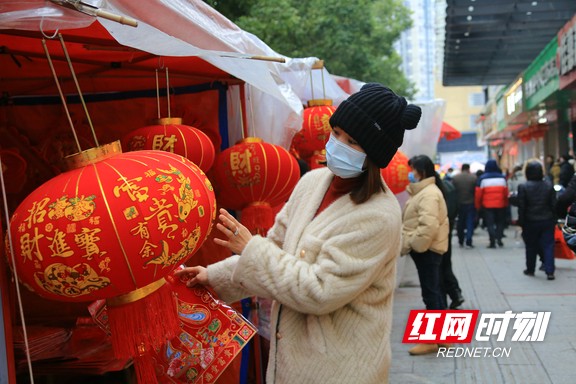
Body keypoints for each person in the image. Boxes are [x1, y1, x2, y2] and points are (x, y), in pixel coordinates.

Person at [175, 83, 422, 383]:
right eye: (336, 133)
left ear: (373, 154)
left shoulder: (378, 215)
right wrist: (214, 276)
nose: (338, 144)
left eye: (353, 141)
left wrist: (250, 248)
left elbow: (319, 291)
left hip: (341, 368)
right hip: (291, 361)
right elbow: (277, 246)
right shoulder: (313, 182)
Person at [402, 154, 450, 355]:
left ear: (421, 171)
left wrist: (415, 245)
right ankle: (443, 338)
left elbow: (428, 224)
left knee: (430, 293)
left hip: (427, 250)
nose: (409, 174)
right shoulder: (424, 191)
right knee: (435, 291)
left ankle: (430, 340)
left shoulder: (428, 193)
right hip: (429, 249)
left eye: (412, 169)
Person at [517, 160, 556, 280]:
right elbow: (553, 204)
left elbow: (522, 206)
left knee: (531, 246)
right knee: (549, 245)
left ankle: (530, 269)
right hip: (547, 219)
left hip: (530, 220)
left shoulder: (523, 186)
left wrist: (521, 221)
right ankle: (550, 271)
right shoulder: (549, 185)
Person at [439, 174, 465, 309]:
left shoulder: (436, 191)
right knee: (446, 264)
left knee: (441, 266)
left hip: (440, 232)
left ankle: (454, 294)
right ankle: (455, 294)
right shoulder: (448, 186)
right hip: (447, 229)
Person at [475, 159, 509, 248]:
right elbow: (506, 193)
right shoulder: (502, 178)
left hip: (487, 205)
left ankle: (492, 241)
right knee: (500, 222)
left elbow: (478, 194)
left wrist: (478, 206)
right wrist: (506, 203)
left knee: (490, 223)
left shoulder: (482, 178)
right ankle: (499, 238)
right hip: (500, 204)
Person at [452, 163, 477, 248]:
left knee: (460, 222)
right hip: (470, 203)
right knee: (469, 222)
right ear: (468, 169)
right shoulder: (473, 178)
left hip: (459, 203)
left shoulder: (455, 178)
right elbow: (476, 191)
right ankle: (469, 240)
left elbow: (453, 191)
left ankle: (461, 240)